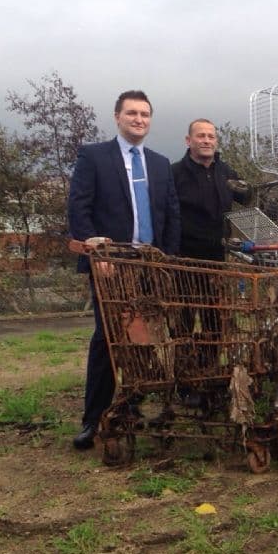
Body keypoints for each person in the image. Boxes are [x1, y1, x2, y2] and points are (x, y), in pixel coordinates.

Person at [67, 90, 180, 450]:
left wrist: (167, 260)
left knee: (142, 337)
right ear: (117, 117)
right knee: (108, 337)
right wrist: (93, 248)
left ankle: (130, 405)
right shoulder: (95, 156)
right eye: (132, 113)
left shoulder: (160, 164)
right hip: (110, 264)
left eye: (145, 114)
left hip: (149, 264)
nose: (139, 119)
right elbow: (78, 207)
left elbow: (171, 215)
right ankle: (94, 418)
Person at [171, 119, 251, 262]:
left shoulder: (225, 172)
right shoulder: (174, 173)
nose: (206, 141)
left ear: (216, 142)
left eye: (211, 137)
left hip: (217, 257)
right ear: (188, 141)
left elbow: (250, 198)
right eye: (201, 136)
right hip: (183, 259)